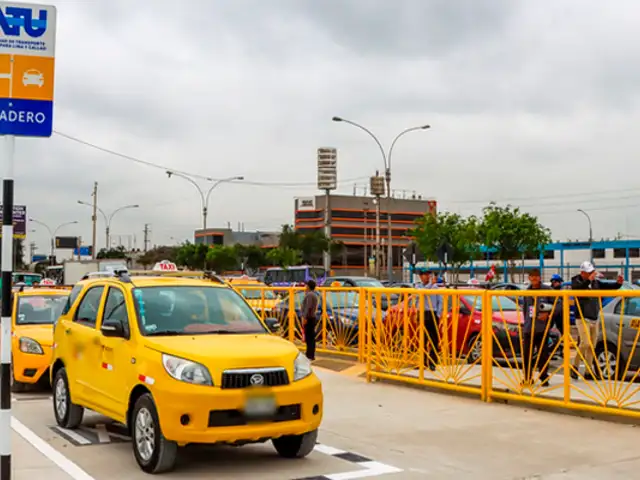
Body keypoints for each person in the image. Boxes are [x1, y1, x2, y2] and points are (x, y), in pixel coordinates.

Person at [570, 261, 623, 380]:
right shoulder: (576, 281)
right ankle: (575, 366)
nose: (591, 275)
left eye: (592, 272)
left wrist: (618, 284)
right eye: (588, 273)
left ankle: (588, 371)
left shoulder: (596, 283)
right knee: (585, 343)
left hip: (594, 317)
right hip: (582, 317)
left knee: (592, 346)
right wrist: (589, 280)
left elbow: (609, 287)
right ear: (582, 272)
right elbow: (579, 288)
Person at [521, 269, 555, 386]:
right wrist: (525, 324)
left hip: (542, 328)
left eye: (536, 276)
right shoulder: (527, 292)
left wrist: (548, 314)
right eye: (532, 276)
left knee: (543, 355)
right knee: (527, 354)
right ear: (529, 278)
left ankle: (544, 377)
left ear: (540, 278)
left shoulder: (548, 290)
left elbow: (559, 304)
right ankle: (527, 378)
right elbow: (525, 310)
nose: (534, 278)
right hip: (529, 328)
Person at [414, 268, 442, 371]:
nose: (425, 276)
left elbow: (440, 301)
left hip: (432, 313)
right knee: (422, 339)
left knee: (433, 340)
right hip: (422, 313)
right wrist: (416, 313)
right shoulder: (418, 286)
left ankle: (432, 363)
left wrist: (438, 314)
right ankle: (422, 362)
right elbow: (421, 294)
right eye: (423, 275)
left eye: (427, 274)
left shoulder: (435, 287)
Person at [301, 279, 319, 361]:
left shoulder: (310, 295)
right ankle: (310, 354)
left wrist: (304, 317)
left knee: (309, 338)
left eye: (306, 285)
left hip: (309, 318)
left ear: (308, 286)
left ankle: (310, 355)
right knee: (310, 337)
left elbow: (308, 307)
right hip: (311, 317)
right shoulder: (313, 295)